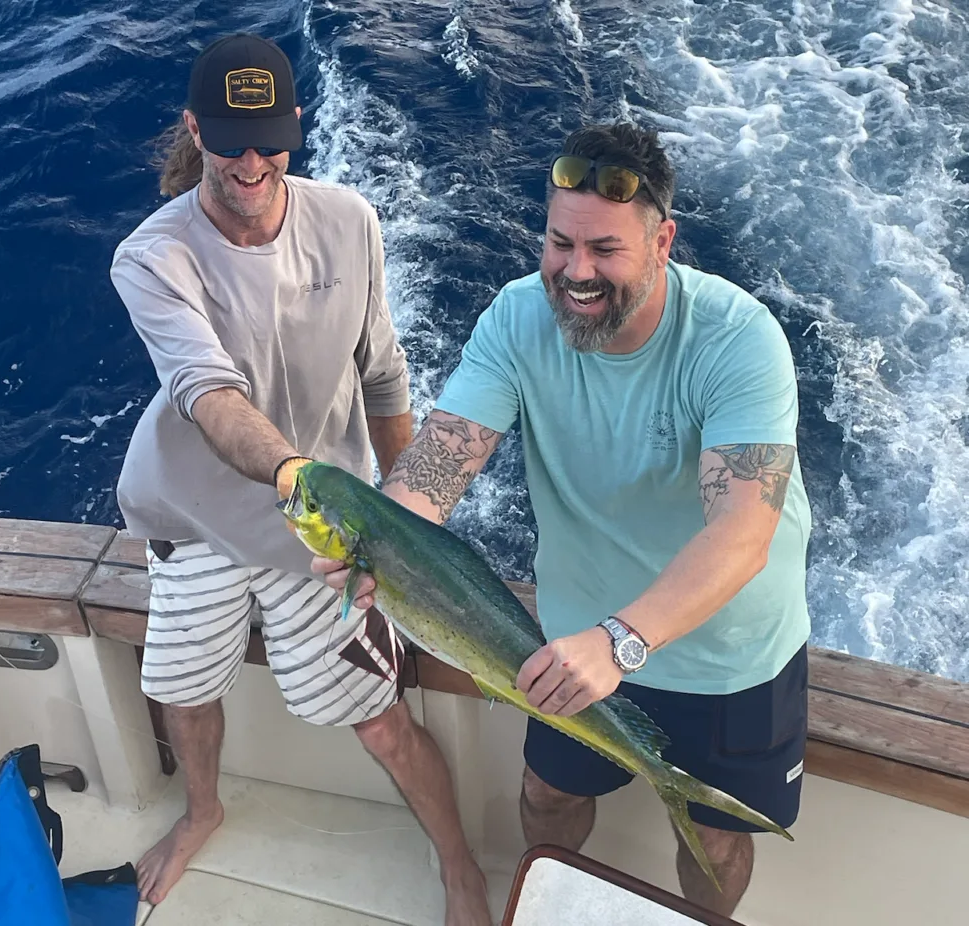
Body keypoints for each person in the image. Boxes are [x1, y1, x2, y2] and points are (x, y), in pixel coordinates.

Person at [314, 121, 812, 918]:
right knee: (547, 794)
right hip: (571, 643)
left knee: (715, 839)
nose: (576, 272)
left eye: (605, 249)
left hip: (726, 652)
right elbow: (438, 464)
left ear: (662, 243)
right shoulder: (518, 319)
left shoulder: (736, 339)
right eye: (560, 243)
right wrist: (379, 542)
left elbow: (742, 534)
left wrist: (620, 642)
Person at [110, 32, 491, 925]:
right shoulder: (151, 257)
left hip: (326, 534)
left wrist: (406, 520)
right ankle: (202, 812)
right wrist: (295, 474)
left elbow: (384, 377)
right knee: (181, 694)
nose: (251, 164)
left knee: (379, 717)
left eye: (269, 141)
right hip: (197, 518)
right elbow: (209, 396)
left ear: (296, 126)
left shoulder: (349, 219)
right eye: (229, 142)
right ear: (194, 130)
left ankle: (459, 863)